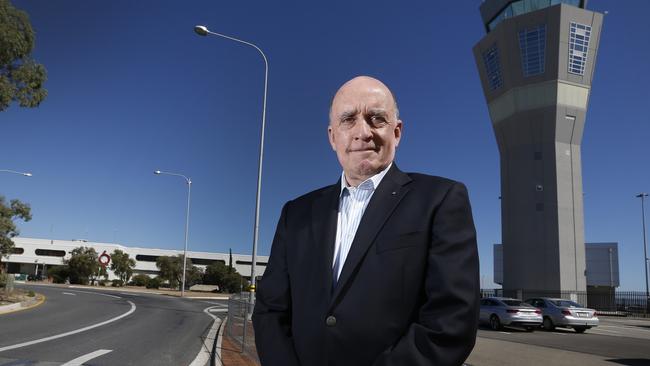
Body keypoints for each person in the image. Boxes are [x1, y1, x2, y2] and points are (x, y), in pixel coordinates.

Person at [253, 76, 479, 366]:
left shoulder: (441, 199)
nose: (363, 132)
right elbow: (270, 311)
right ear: (333, 136)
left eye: (376, 119)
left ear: (396, 132)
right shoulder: (295, 214)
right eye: (348, 119)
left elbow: (451, 322)